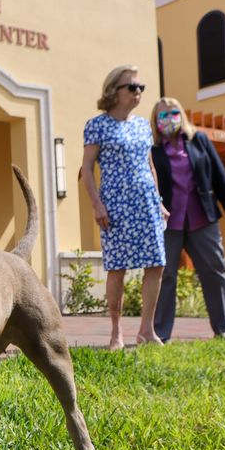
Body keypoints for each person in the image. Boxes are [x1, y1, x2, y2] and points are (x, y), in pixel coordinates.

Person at [81, 65, 169, 351]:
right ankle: (116, 332)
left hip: (146, 202)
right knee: (117, 268)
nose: (138, 92)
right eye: (132, 87)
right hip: (115, 205)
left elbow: (150, 166)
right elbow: (87, 167)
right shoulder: (97, 125)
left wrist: (159, 202)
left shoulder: (143, 125)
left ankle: (146, 330)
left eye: (140, 87)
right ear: (113, 92)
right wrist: (97, 205)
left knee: (156, 264)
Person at [150, 97, 225, 341]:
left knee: (215, 271)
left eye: (173, 113)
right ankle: (160, 333)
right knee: (165, 275)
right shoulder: (153, 149)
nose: (169, 119)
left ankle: (223, 329)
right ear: (156, 121)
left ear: (181, 115)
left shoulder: (198, 140)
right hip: (169, 222)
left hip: (202, 217)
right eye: (163, 115)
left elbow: (219, 174)